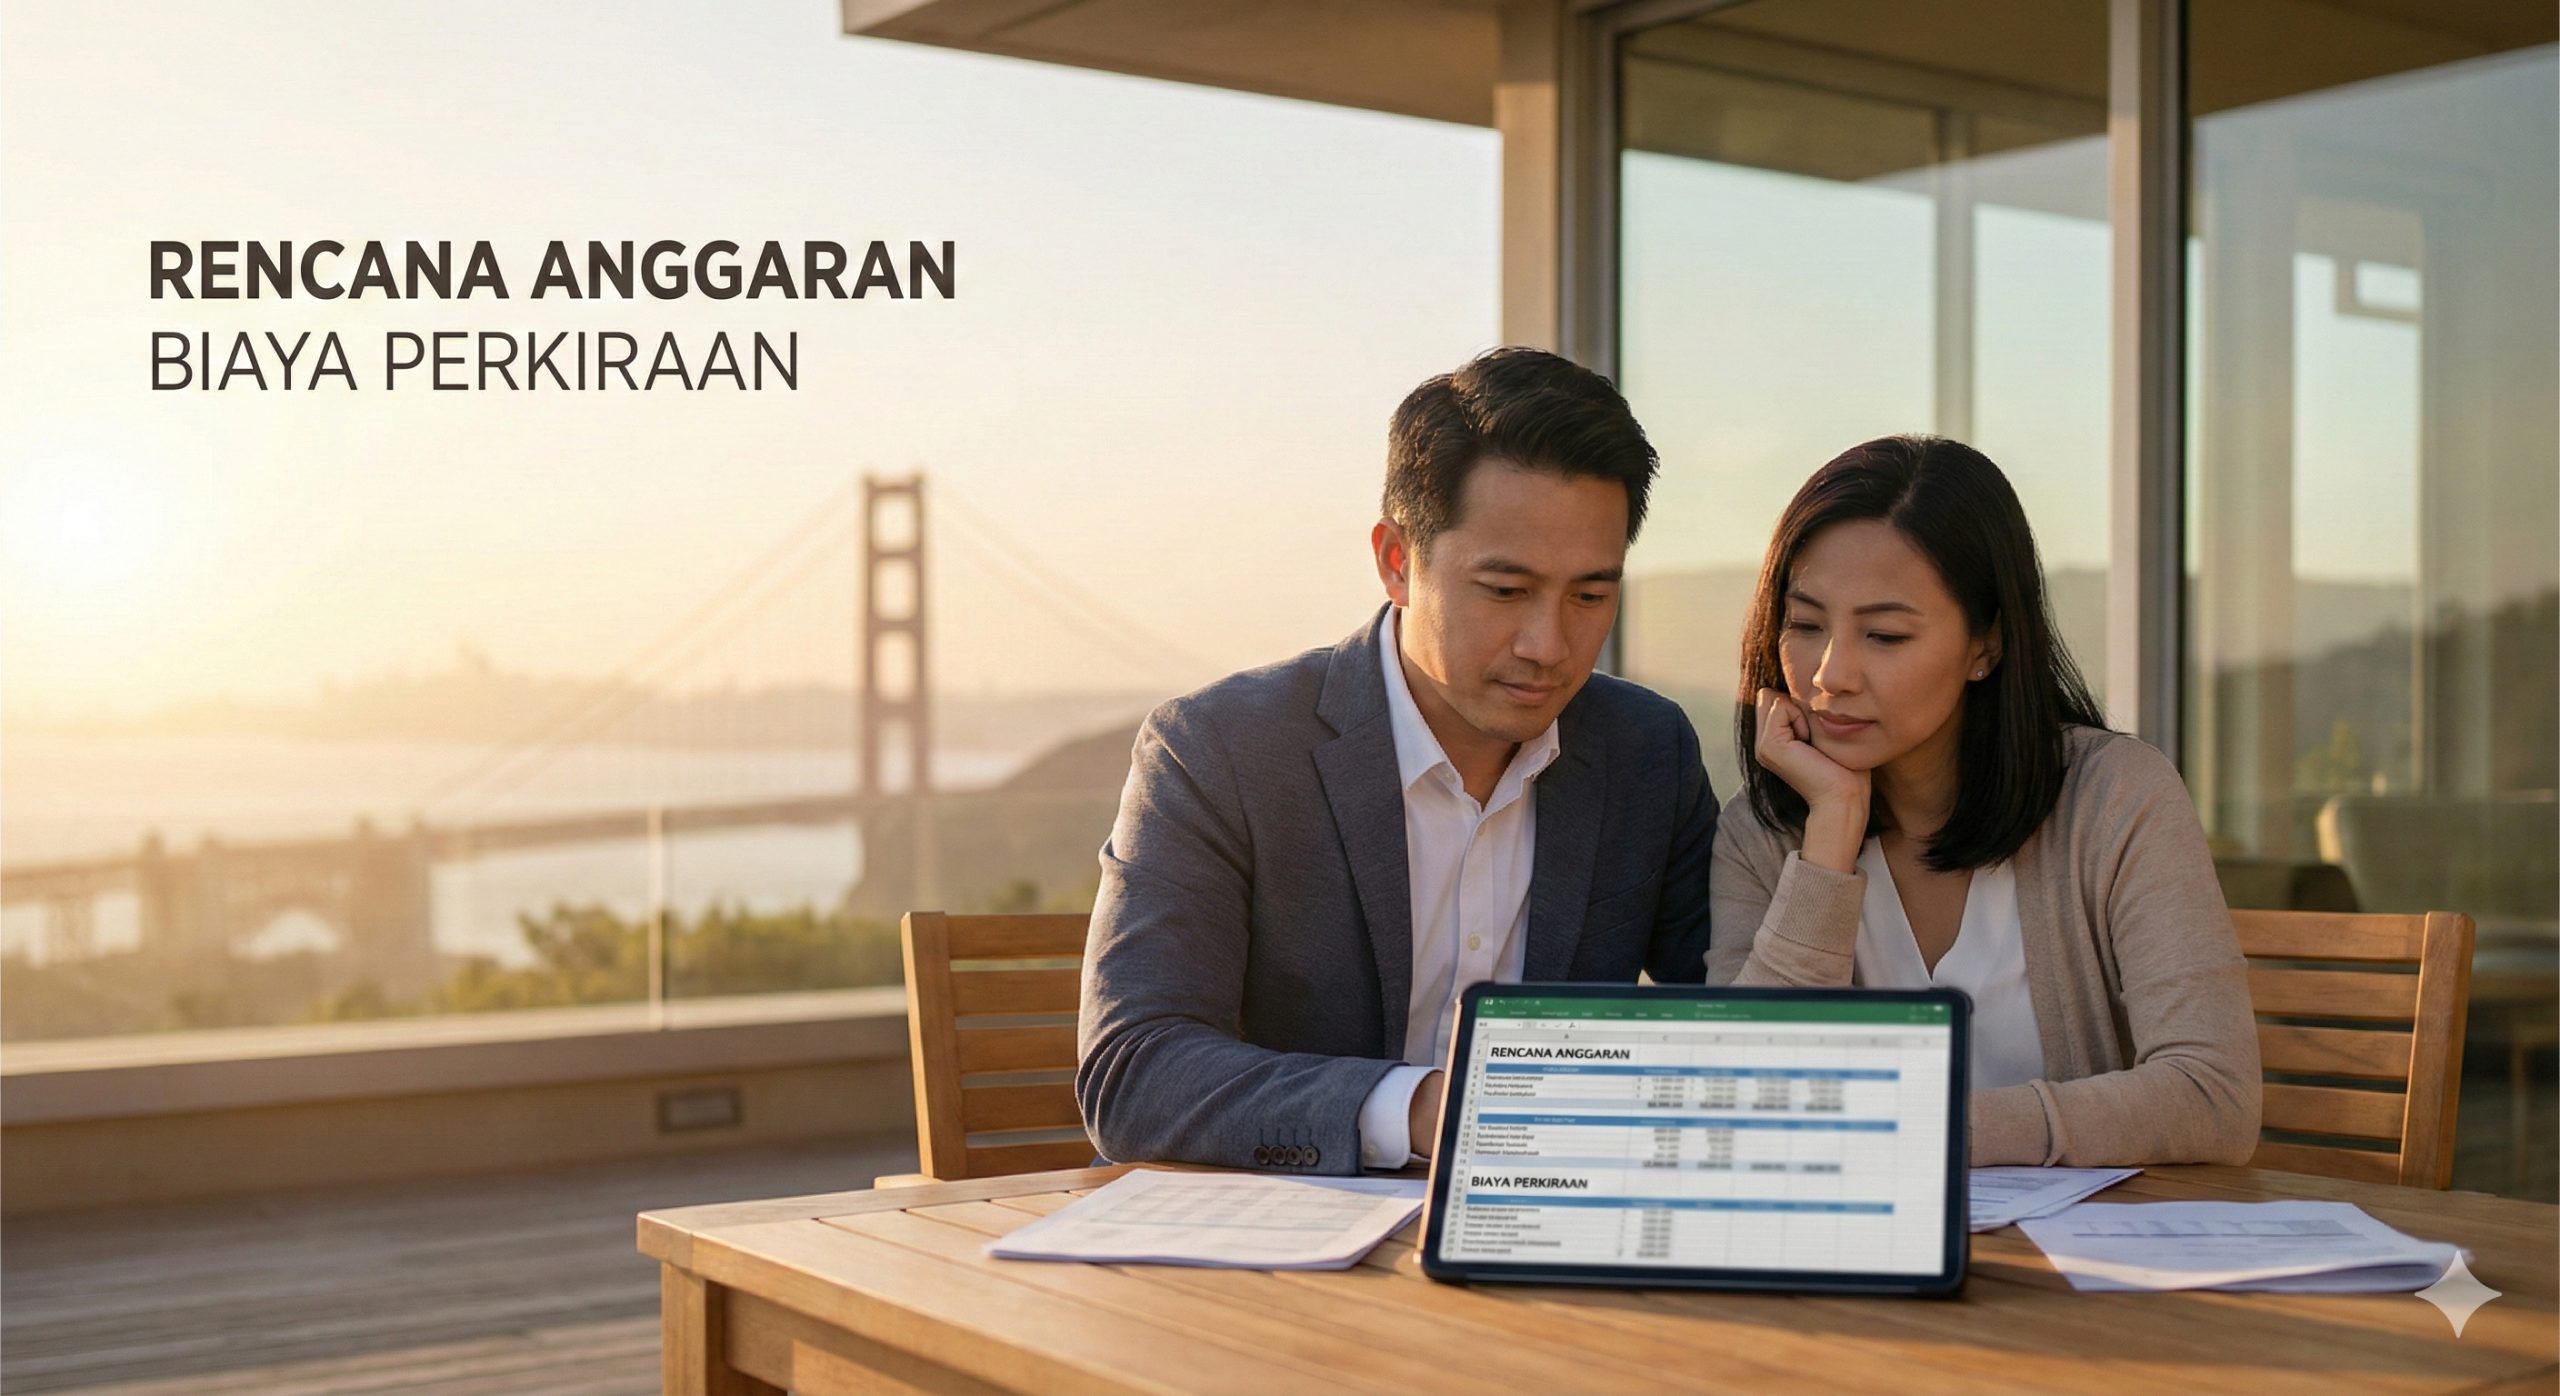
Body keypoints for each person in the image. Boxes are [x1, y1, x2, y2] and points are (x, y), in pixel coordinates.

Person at [1078, 347, 1718, 1174]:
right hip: (1284, 1237)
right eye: (1506, 590)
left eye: (1590, 596)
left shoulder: (1645, 752)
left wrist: (1832, 822)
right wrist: (1428, 1109)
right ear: (1396, 562)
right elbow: (1135, 1075)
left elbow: (1741, 1019)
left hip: (1547, 1228)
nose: (1550, 645)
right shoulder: (1220, 750)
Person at [1706, 434, 2261, 1166]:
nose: (1830, 674)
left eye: (1885, 635)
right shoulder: (1763, 833)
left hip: (2088, 1239)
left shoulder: (2114, 797)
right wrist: (1831, 833)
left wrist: (1929, 1130)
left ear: (1985, 646)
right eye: (1805, 626)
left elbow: (2213, 1097)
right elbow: (1740, 1099)